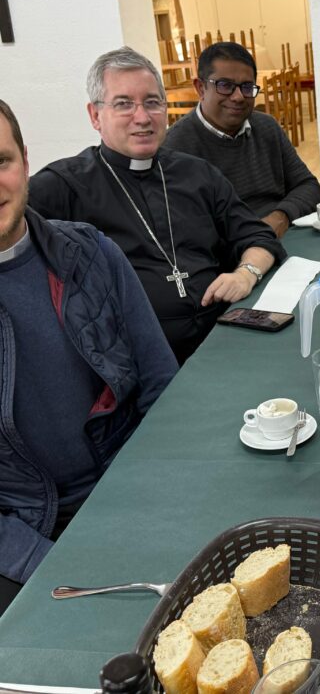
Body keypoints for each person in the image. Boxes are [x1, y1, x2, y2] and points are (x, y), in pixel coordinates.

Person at [0, 100, 177, 614]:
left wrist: (158, 494)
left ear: (26, 160)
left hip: (125, 489)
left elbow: (160, 385)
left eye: (1, 162)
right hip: (23, 530)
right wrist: (43, 563)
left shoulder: (92, 254)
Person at [29, 47, 286, 363]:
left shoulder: (198, 173)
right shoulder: (62, 185)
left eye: (152, 102)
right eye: (124, 104)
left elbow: (258, 237)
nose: (142, 117)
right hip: (134, 360)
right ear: (95, 115)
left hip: (223, 338)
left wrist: (246, 274)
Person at [162, 41, 320, 238]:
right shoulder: (174, 148)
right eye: (225, 85)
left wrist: (280, 217)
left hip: (282, 235)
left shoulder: (266, 127)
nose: (238, 97)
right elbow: (185, 227)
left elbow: (308, 185)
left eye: (247, 87)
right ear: (201, 88)